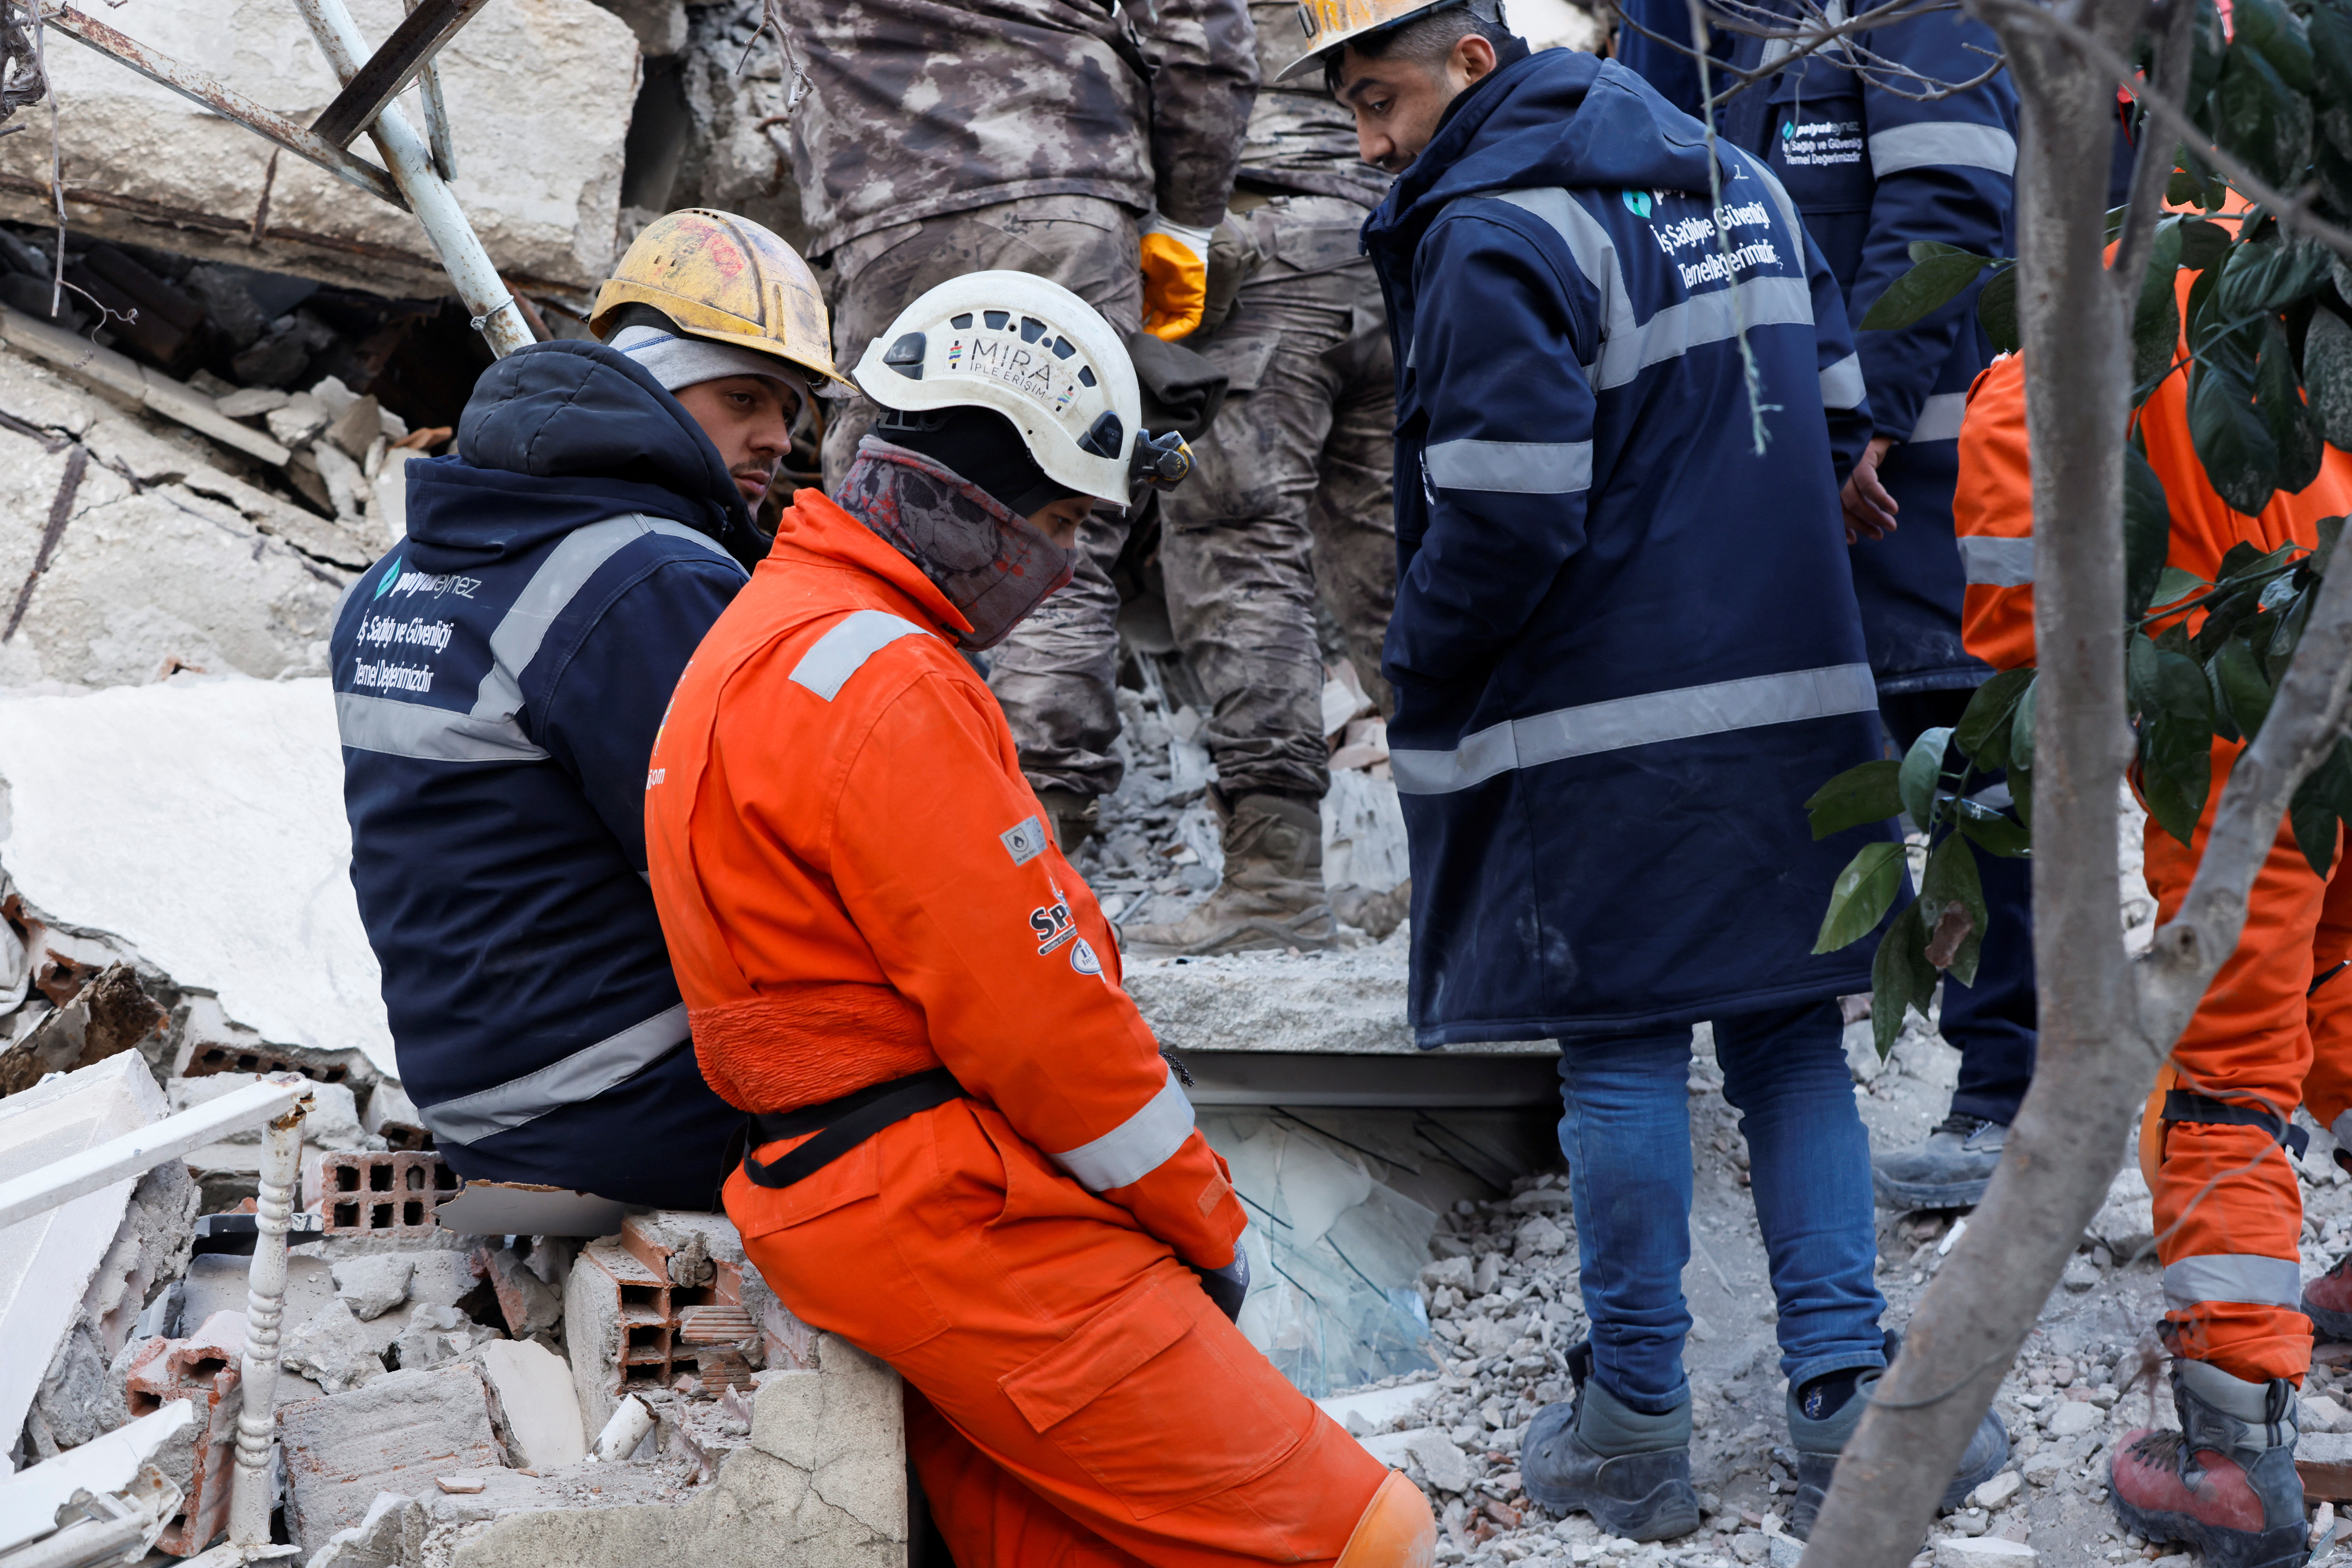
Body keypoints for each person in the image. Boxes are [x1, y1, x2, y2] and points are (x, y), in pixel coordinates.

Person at [1287, 0, 2005, 1539]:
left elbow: (1506, 508)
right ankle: (1842, 1401)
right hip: (1795, 696)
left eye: (1379, 98)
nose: (1368, 144)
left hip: (1594, 726)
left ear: (1472, 62)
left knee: (1615, 1048)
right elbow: (1834, 411)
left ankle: (1632, 1418)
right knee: (1789, 1042)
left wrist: (1422, 659)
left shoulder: (1494, 231)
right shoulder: (1725, 179)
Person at [641, 271, 1435, 1566]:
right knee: (1369, 1537)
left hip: (840, 1197)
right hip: (951, 1218)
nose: (1062, 559)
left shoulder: (765, 634)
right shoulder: (888, 683)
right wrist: (1205, 1226)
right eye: (1058, 517)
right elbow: (1043, 1022)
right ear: (970, 493)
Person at [329, 209, 849, 1208]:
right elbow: (764, 888)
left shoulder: (397, 581)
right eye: (743, 396)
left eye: (790, 408)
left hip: (476, 1095)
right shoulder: (649, 580)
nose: (779, 437)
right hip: (621, 1106)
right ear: (652, 384)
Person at [1615, 0, 2031, 1211]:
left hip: (1921, 480)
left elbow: (1946, 214)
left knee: (1979, 778)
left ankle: (2006, 1099)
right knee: (1803, 771)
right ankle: (1810, 1099)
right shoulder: (1701, 23)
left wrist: (1864, 422)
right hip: (1787, 474)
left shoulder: (1907, 15)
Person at [1954, 314, 2352, 1566]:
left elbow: (2020, 639)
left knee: (2225, 1072)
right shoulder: (2306, 253)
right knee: (2342, 975)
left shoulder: (2092, 320)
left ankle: (2235, 1452)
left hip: (2236, 738)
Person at [780, 0, 1257, 855]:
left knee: (883, 528)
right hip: (1061, 175)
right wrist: (1188, 215)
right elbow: (1197, 25)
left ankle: (888, 821)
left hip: (881, 201)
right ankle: (1039, 839)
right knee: (1057, 511)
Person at [1122, 0, 1403, 956]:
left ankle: (1274, 882)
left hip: (1258, 238)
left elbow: (1187, 53)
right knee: (1400, 562)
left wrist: (1173, 246)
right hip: (1393, 233)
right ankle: (1473, 870)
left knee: (1237, 545)